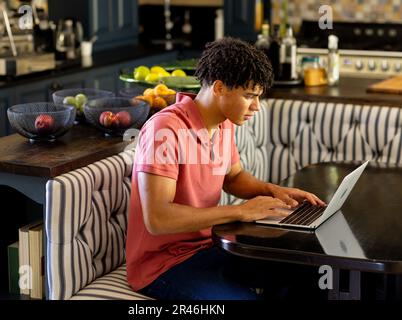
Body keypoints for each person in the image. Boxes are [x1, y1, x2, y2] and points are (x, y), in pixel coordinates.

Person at [126, 37, 326, 300]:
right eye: (249, 96)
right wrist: (241, 211)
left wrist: (275, 190)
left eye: (258, 97)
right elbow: (158, 218)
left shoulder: (222, 124)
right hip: (164, 265)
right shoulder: (165, 130)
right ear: (219, 88)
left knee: (308, 274)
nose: (256, 106)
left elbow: (233, 177)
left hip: (211, 247)